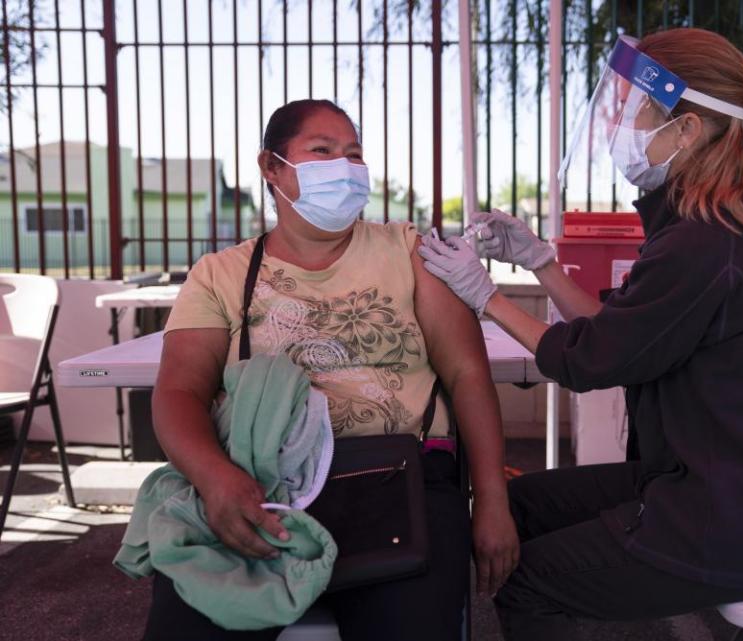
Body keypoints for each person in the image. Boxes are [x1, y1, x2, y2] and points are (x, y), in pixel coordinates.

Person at [418, 28, 743, 640]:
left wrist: (485, 297)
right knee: (515, 509)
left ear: (688, 130)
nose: (624, 122)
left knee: (527, 579)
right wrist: (540, 261)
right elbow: (619, 329)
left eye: (639, 108)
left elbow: (587, 359)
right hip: (722, 489)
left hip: (741, 523)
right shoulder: (708, 224)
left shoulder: (705, 241)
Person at [141, 99, 519, 641]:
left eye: (355, 154)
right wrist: (215, 479)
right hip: (262, 490)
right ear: (272, 167)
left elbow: (468, 376)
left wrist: (491, 502)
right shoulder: (219, 275)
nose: (344, 168)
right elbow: (179, 390)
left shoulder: (411, 253)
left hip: (400, 484)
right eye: (322, 151)